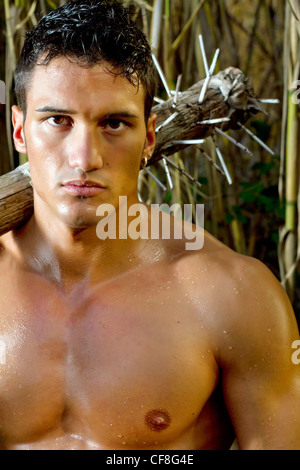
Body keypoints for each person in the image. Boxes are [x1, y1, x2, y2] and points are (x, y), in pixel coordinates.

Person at [0, 0, 299, 451]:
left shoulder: (234, 297)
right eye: (58, 120)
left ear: (150, 137)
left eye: (114, 123)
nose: (84, 158)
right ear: (20, 131)